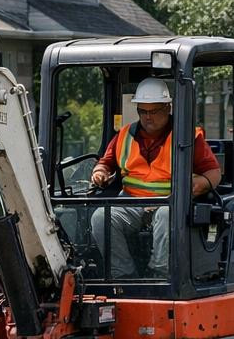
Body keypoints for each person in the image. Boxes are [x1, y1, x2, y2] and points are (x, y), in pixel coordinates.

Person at [89, 78, 222, 278]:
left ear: (168, 108)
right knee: (101, 218)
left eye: (154, 111)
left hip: (169, 203)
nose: (148, 117)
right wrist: (99, 172)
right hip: (132, 202)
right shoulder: (125, 134)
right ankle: (123, 276)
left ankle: (160, 274)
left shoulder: (187, 136)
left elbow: (213, 172)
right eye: (143, 111)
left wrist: (200, 185)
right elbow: (105, 163)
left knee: (167, 215)